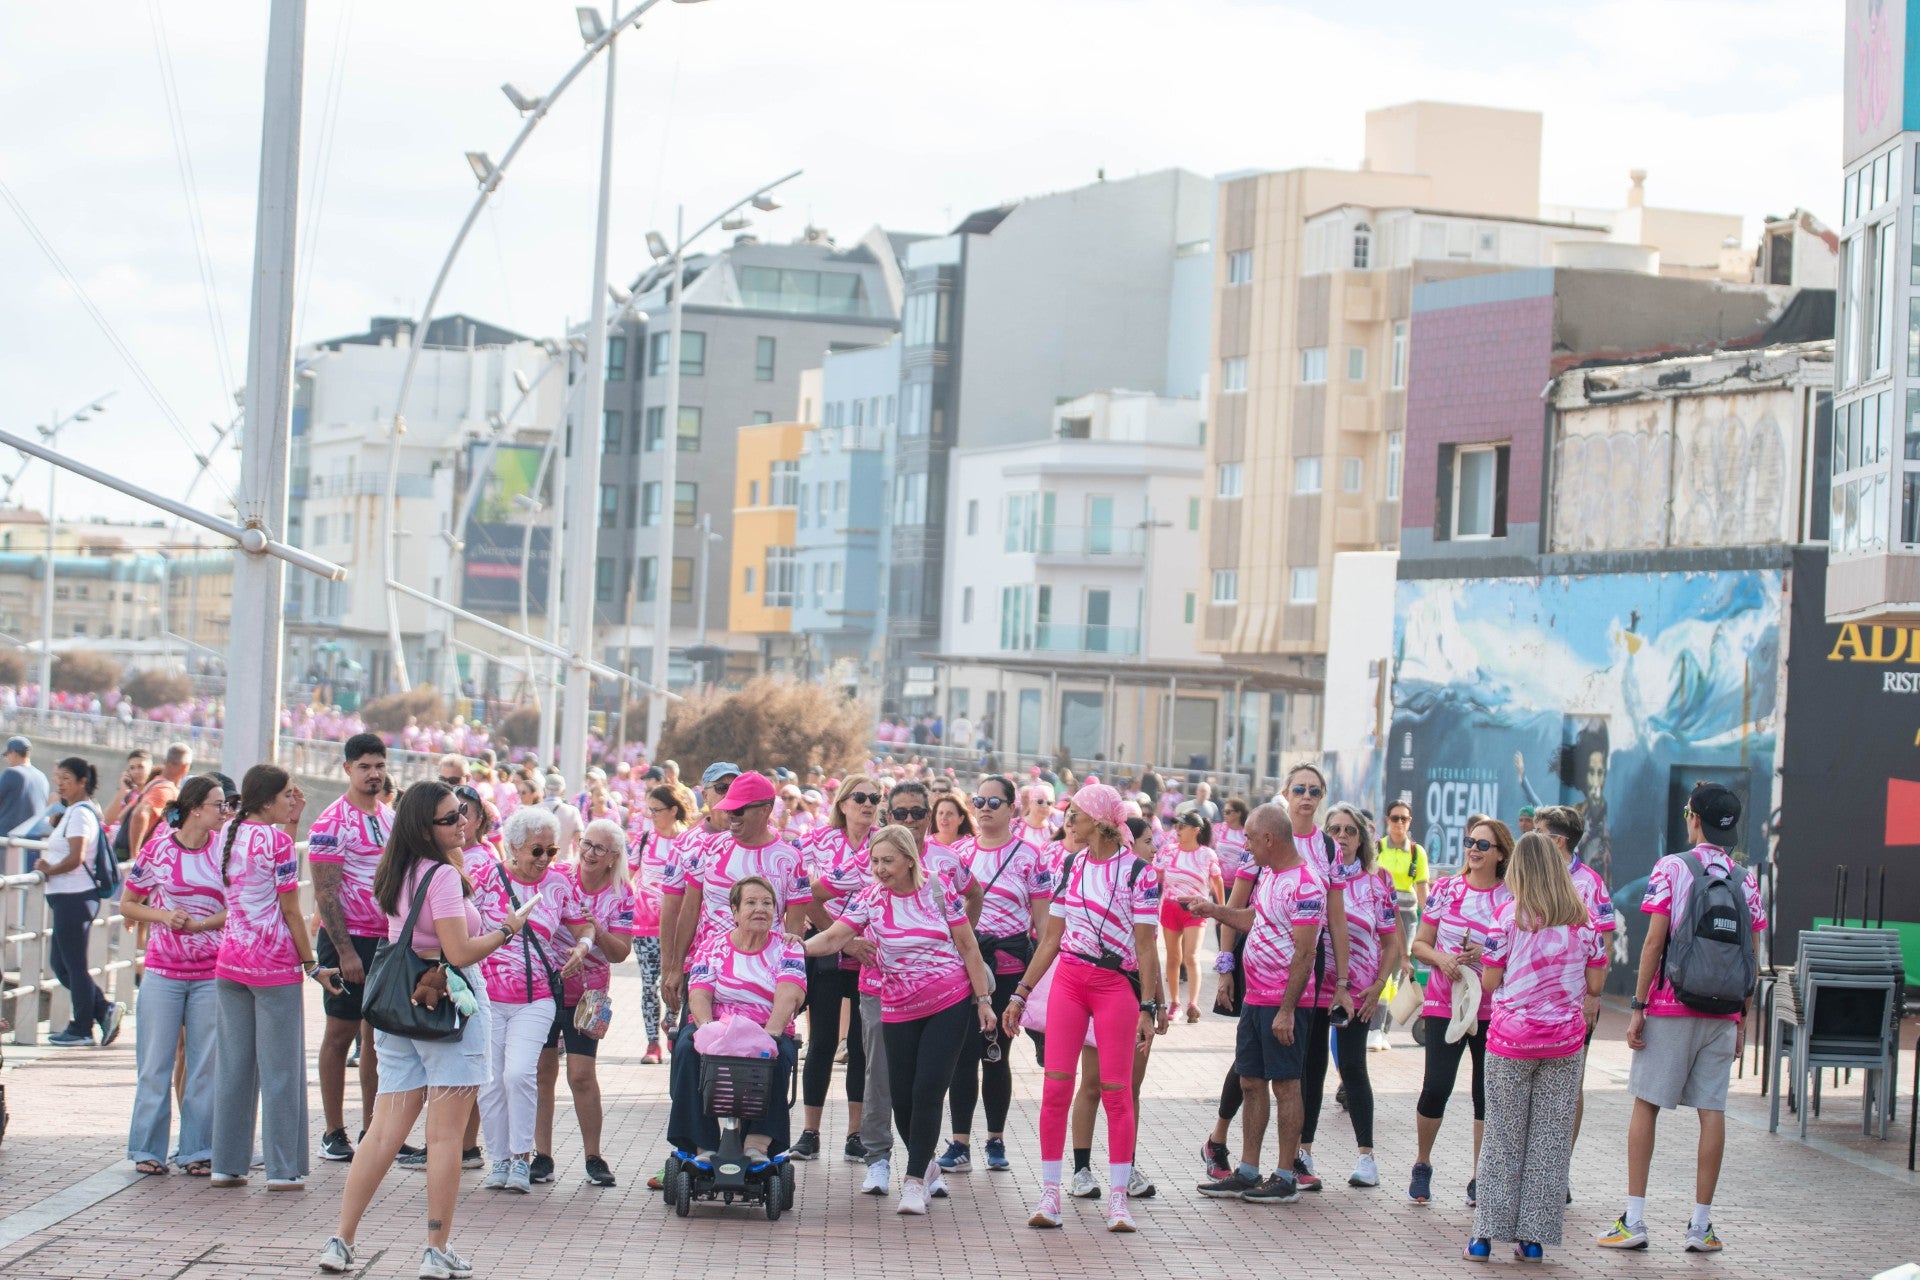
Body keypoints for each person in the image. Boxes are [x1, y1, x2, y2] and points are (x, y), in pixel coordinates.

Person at [318, 781, 537, 1280]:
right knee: (444, 1137)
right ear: (424, 828)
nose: (463, 822)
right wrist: (507, 929)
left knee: (382, 1131)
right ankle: (436, 1249)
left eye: (463, 813)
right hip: (449, 1006)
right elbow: (458, 952)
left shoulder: (396, 867)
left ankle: (342, 1239)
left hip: (400, 1007)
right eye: (450, 818)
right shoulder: (440, 876)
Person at [1596, 783, 1762, 1256]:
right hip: (1723, 1010)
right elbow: (1752, 953)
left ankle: (1634, 1219)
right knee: (1712, 1111)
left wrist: (1639, 1006)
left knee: (1646, 1104)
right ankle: (1701, 1226)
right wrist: (1742, 1017)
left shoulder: (1672, 867)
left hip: (1672, 1005)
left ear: (1694, 819)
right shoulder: (1746, 879)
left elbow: (1654, 941)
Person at [806, 825, 996, 1216]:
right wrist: (793, 948)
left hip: (947, 1001)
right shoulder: (869, 897)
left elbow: (968, 947)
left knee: (927, 1090)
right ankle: (927, 1166)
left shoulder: (938, 889)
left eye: (888, 861)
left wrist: (983, 1001)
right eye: (875, 861)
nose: (879, 869)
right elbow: (834, 938)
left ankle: (913, 1182)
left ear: (909, 860)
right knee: (903, 1095)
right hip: (895, 1005)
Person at [1005, 782, 1168, 1233]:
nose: (1067, 822)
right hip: (1070, 982)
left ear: (1097, 821)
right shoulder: (1070, 864)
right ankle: (1050, 1194)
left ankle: (1118, 1200)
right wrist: (1021, 992)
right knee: (1056, 1088)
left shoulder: (1140, 873)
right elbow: (1051, 939)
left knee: (1117, 1092)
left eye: (1073, 814)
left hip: (1116, 986)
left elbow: (1146, 946)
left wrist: (1149, 1006)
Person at [1465, 832, 1606, 1263]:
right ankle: (1533, 1240)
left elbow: (1490, 980)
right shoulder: (1584, 921)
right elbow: (1596, 983)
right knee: (1549, 1141)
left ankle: (1484, 1237)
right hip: (1564, 1043)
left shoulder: (1507, 917)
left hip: (1511, 1040)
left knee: (1502, 1137)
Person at [1188, 801, 1323, 1203]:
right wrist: (1215, 910)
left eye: (1249, 837)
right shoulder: (1270, 875)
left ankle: (1285, 1177)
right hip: (1256, 997)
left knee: (1286, 1085)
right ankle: (1247, 1171)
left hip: (1284, 1003)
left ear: (1268, 838)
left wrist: (1287, 1010)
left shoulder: (1306, 883)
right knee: (1250, 1081)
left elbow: (1306, 953)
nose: (1244, 845)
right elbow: (1256, 919)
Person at [210, 764, 331, 1189]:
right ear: (266, 801)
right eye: (286, 795)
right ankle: (283, 1169)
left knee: (234, 1068)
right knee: (281, 1072)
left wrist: (291, 820)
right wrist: (311, 964)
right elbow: (291, 910)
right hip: (274, 965)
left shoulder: (228, 831)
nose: (292, 800)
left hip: (230, 962)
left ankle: (226, 1165)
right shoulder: (277, 843)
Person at [470, 806, 592, 1194]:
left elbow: (584, 926)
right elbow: (461, 926)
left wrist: (583, 946)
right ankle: (499, 1160)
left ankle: (521, 1158)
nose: (544, 859)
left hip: (537, 997)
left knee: (519, 1073)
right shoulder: (487, 877)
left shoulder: (557, 883)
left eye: (551, 851)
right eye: (536, 850)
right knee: (491, 1081)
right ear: (514, 847)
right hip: (487, 997)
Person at [940, 774, 1054, 1174]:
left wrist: (1032, 985)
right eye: (979, 801)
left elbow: (1044, 927)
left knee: (995, 1053)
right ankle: (959, 1144)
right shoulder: (957, 853)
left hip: (1008, 967)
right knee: (961, 1055)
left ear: (1013, 809)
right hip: (963, 966)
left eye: (994, 803)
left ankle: (995, 1140)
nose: (984, 809)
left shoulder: (1031, 857)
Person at [121, 776, 229, 1174]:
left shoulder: (225, 850)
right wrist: (164, 916)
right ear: (195, 809)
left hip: (210, 974)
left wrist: (203, 925)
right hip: (162, 973)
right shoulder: (159, 849)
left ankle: (198, 1150)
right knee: (155, 1065)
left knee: (204, 1068)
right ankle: (146, 1150)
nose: (225, 812)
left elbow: (239, 904)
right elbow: (128, 904)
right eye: (218, 804)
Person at [1408, 814, 1513, 1207]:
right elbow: (1420, 943)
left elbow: (1518, 950)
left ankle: (1479, 1177)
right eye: (1470, 842)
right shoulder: (1446, 889)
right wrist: (1443, 959)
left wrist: (1485, 953)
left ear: (1500, 854)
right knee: (1436, 1086)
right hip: (1444, 1002)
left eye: (1483, 845)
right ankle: (1422, 1163)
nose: (1474, 849)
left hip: (1491, 1008)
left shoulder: (1511, 897)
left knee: (1485, 1094)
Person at [668, 876, 806, 1168]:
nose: (760, 909)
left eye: (767, 903)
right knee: (687, 1048)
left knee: (778, 1053)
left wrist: (769, 1035)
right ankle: (703, 1145)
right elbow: (699, 993)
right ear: (735, 911)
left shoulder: (788, 947)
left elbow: (789, 994)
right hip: (718, 1024)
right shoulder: (712, 946)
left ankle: (757, 1143)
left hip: (766, 1026)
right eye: (751, 903)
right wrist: (709, 1031)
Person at [1296, 801, 1399, 1190]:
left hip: (1357, 992)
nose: (1341, 837)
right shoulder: (1312, 876)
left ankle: (1366, 1158)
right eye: (1334, 830)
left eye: (1349, 830)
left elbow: (1391, 943)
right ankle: (1303, 1152)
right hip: (1313, 988)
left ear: (1362, 839)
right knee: (1311, 1069)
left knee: (1354, 1068)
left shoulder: (1377, 882)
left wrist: (1378, 986)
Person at [308, 732, 399, 1163]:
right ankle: (333, 1131)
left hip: (386, 941)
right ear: (348, 769)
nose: (373, 774)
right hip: (346, 940)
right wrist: (344, 952)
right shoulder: (330, 823)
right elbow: (325, 894)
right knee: (339, 1033)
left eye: (379, 766)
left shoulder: (392, 818)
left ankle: (373, 1130)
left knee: (378, 1038)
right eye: (364, 767)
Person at [532, 817, 633, 1187]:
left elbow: (621, 953)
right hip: (546, 984)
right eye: (586, 843)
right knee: (543, 1070)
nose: (590, 853)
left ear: (613, 857)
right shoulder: (557, 875)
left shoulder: (622, 894)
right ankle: (542, 1155)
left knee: (581, 1074)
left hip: (590, 995)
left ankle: (594, 1156)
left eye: (599, 848)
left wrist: (597, 930)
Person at [791, 774, 881, 1163]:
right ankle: (809, 1133)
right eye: (860, 797)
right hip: (827, 948)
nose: (868, 804)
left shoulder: (886, 842)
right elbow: (801, 892)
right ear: (842, 803)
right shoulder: (815, 840)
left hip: (872, 953)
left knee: (862, 1047)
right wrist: (841, 938)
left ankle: (855, 1134)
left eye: (875, 798)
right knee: (823, 1043)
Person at [1532, 804, 1614, 1148]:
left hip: (1573, 1005)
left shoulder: (1590, 883)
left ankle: (1559, 1160)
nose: (1530, 838)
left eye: (1537, 833)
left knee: (1570, 1085)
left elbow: (1605, 944)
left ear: (1558, 840)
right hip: (1526, 1003)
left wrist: (1593, 997)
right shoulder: (1527, 876)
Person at [35, 756, 124, 1047]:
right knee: (61, 964)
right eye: (57, 777)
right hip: (68, 898)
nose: (59, 784)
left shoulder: (80, 815)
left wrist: (48, 869)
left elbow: (76, 857)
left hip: (75, 898)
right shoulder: (73, 812)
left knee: (72, 965)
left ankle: (82, 1027)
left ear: (82, 782)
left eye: (66, 779)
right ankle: (103, 1010)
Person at [628, 783, 690, 1065]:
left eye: (656, 810)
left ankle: (671, 1023)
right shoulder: (644, 840)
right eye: (649, 810)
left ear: (673, 810)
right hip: (645, 927)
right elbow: (626, 877)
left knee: (676, 982)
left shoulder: (688, 842)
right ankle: (652, 1042)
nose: (651, 815)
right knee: (650, 985)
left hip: (680, 928)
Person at [1156, 803, 1223, 1025]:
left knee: (1191, 956)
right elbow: (1155, 876)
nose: (1177, 830)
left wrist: (1221, 910)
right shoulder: (1168, 850)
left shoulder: (1207, 854)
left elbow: (1217, 881)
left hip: (1195, 908)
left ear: (1196, 830)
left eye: (1182, 826)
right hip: (1170, 906)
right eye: (1177, 826)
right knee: (1173, 957)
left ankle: (1193, 1003)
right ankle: (1174, 1002)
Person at [0, 735, 50, 857]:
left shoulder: (12, 772)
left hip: (7, 844)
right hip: (32, 845)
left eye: (7, 755)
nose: (7, 759)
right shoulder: (42, 777)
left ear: (14, 753)